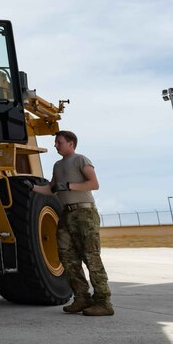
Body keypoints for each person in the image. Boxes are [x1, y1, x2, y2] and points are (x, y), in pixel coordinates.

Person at [32, 130, 113, 316]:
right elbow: (51, 189)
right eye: (55, 142)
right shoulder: (57, 165)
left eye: (59, 142)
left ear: (71, 143)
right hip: (66, 214)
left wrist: (69, 186)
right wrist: (32, 187)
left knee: (90, 256)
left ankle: (104, 302)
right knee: (67, 258)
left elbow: (94, 184)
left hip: (84, 213)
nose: (56, 145)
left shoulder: (80, 160)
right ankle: (82, 298)